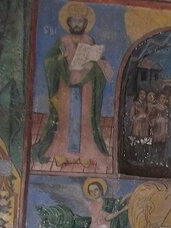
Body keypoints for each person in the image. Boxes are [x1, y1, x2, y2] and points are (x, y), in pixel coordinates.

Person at [32, 2, 112, 167]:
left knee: (85, 119)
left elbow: (100, 61)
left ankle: (85, 153)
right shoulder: (63, 40)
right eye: (74, 20)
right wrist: (61, 58)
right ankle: (62, 152)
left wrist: (93, 64)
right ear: (68, 22)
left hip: (86, 86)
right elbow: (49, 61)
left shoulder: (89, 40)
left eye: (80, 21)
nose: (77, 24)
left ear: (85, 23)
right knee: (65, 118)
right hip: (66, 86)